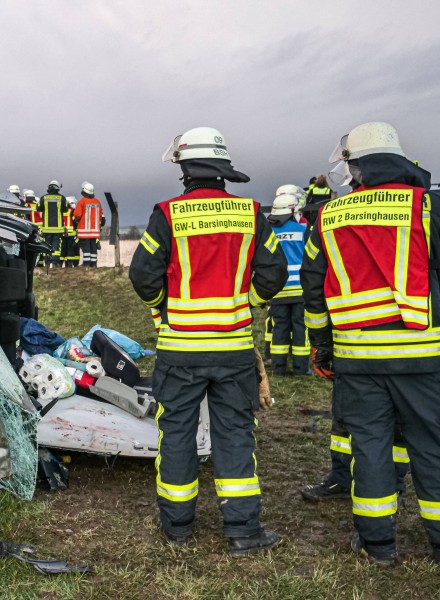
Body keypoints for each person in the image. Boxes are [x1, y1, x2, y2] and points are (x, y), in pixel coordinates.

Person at [300, 121, 440, 570]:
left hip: (356, 358)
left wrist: (321, 347)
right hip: (420, 356)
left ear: (357, 167)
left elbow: (314, 287)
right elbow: (439, 257)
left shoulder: (329, 215)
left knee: (368, 448)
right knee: (433, 445)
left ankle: (377, 545)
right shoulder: (428, 204)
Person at [129, 126, 287, 554]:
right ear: (221, 169)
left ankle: (177, 527)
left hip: (180, 347)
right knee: (235, 433)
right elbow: (274, 274)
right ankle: (243, 530)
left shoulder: (168, 214)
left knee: (176, 432)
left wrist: (165, 307)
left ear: (185, 170)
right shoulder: (251, 213)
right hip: (233, 347)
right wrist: (246, 300)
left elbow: (142, 276)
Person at [266, 194, 310, 376]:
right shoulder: (302, 230)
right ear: (294, 210)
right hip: (300, 289)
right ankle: (301, 368)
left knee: (280, 327)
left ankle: (279, 368)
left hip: (278, 289)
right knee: (300, 327)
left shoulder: (270, 232)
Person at [73, 181, 104, 267]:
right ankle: (93, 264)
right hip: (95, 231)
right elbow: (101, 216)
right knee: (93, 248)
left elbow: (77, 214)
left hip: (84, 230)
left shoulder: (82, 201)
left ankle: (86, 264)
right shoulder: (97, 202)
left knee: (86, 248)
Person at [39, 180, 66, 267]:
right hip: (58, 228)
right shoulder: (62, 198)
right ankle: (55, 262)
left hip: (46, 227)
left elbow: (38, 208)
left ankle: (47, 261)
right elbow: (65, 210)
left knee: (46, 244)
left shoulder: (44, 198)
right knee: (56, 245)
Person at [61, 197, 81, 267]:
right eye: (72, 203)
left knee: (63, 249)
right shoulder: (72, 211)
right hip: (71, 234)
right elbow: (75, 222)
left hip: (63, 234)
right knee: (71, 249)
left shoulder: (61, 211)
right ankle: (71, 264)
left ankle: (61, 265)